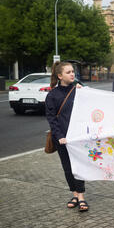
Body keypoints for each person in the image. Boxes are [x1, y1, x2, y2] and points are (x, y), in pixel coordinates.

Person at [46, 62, 88, 212]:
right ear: (59, 76)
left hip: (77, 137)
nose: (72, 74)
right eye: (68, 72)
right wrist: (60, 136)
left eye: (73, 71)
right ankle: (75, 195)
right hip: (62, 139)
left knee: (78, 167)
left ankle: (82, 197)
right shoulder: (52, 95)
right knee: (68, 168)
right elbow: (52, 119)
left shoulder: (79, 91)